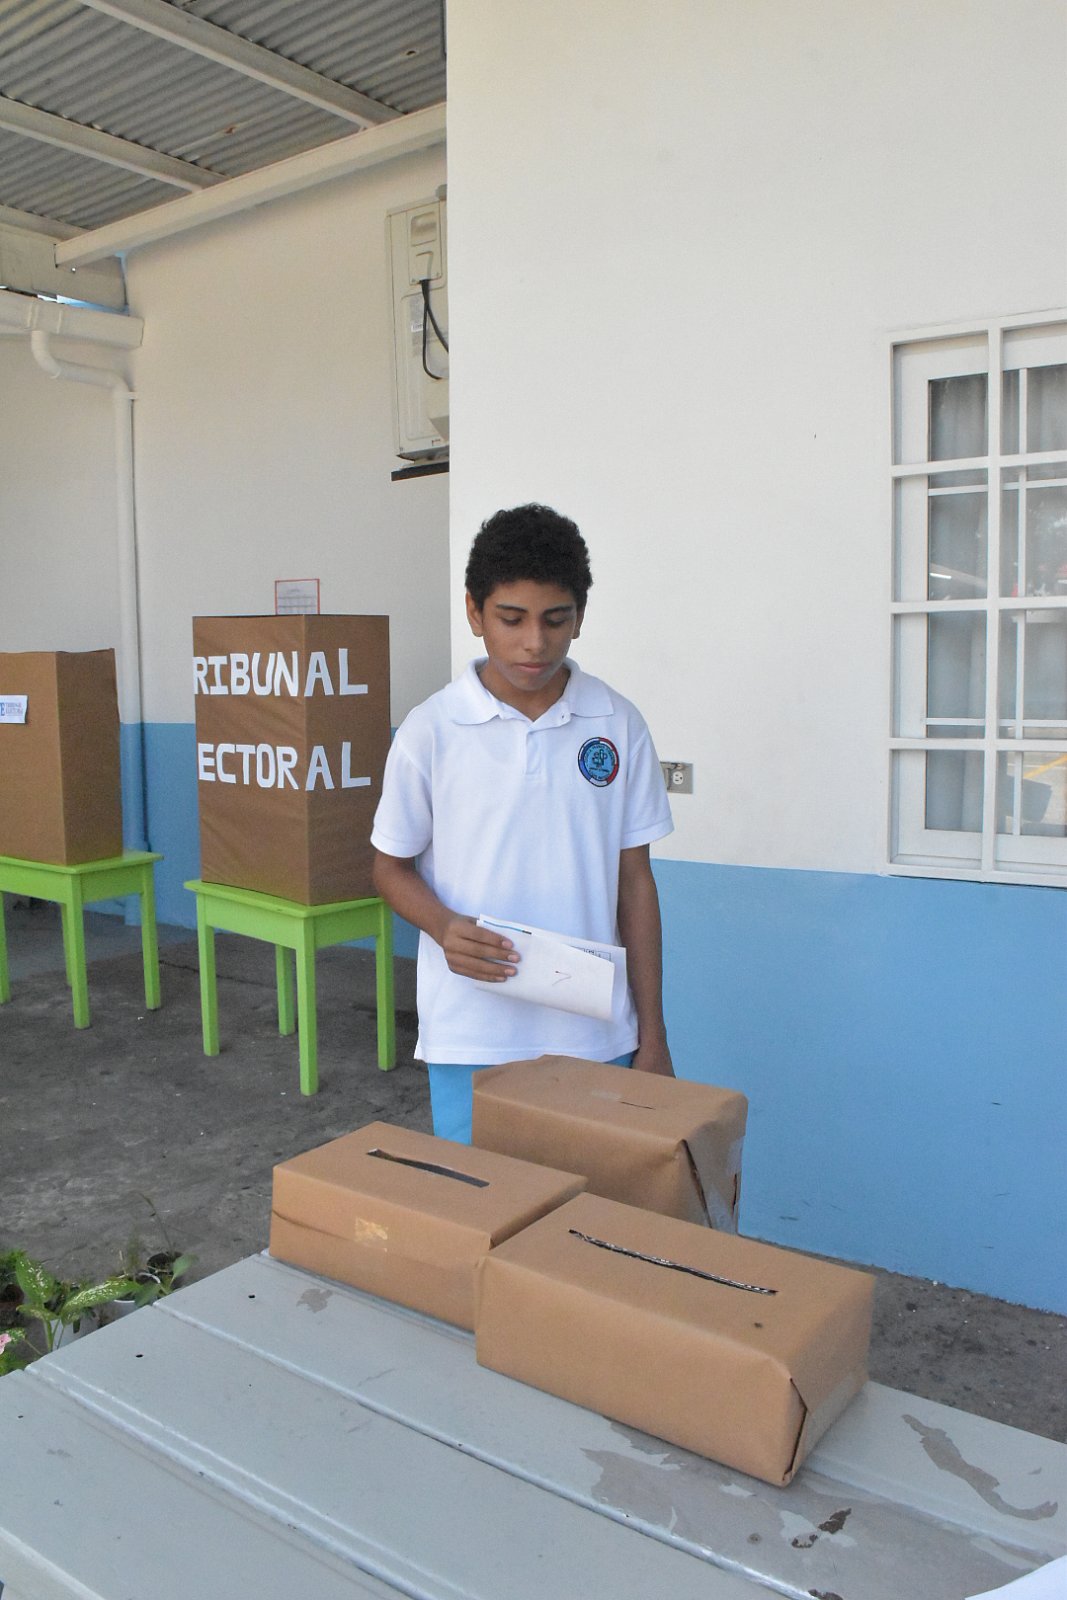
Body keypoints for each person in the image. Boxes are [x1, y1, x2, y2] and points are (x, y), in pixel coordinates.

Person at [371, 503, 674, 1142]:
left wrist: (653, 1035)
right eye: (512, 619)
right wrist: (442, 925)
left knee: (594, 1198)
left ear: (579, 617)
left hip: (595, 1036)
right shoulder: (431, 731)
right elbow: (390, 868)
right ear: (474, 613)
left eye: (555, 619)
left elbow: (635, 884)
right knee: (482, 1198)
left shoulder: (618, 724)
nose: (535, 642)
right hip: (471, 1035)